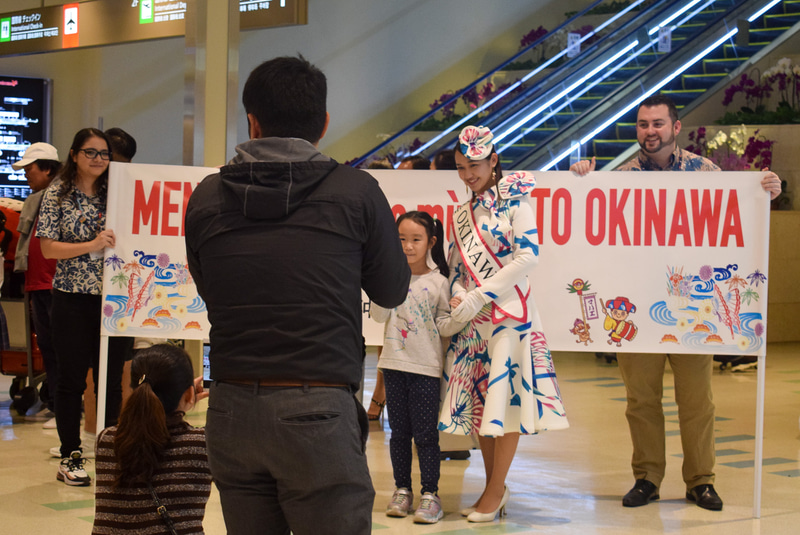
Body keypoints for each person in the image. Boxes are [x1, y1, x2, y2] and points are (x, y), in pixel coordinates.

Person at [184, 55, 411, 535]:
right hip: (319, 409)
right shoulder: (356, 191)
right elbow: (391, 290)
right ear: (324, 123)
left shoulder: (206, 197)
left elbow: (210, 289)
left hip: (230, 407)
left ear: (252, 122)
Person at [569, 94, 782, 511]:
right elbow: (586, 220)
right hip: (635, 307)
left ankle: (701, 481)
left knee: (697, 401)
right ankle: (647, 478)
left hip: (692, 310)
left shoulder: (707, 173)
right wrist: (580, 179)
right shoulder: (619, 177)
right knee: (641, 400)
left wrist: (767, 192)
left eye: (658, 124)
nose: (650, 131)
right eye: (643, 124)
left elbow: (739, 211)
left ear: (675, 127)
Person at [439, 125, 569, 523]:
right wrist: (461, 291)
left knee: (505, 402)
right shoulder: (461, 213)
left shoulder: (517, 203)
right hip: (473, 322)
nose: (468, 175)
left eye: (474, 166)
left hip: (509, 317)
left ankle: (495, 491)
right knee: (482, 403)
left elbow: (527, 257)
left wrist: (482, 292)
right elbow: (456, 265)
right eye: (461, 168)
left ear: (493, 161)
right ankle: (492, 488)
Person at [37, 128, 124, 486]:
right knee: (72, 380)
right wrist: (91, 245)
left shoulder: (116, 191)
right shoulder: (57, 193)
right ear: (74, 155)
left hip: (115, 298)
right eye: (90, 152)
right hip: (72, 297)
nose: (98, 159)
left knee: (112, 380)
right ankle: (71, 454)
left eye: (104, 153)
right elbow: (47, 249)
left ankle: (111, 451)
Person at [370, 211, 466, 524]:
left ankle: (430, 494)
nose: (408, 246)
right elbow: (379, 317)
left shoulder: (439, 282)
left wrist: (459, 312)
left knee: (425, 436)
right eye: (401, 240)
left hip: (426, 369)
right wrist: (387, 281)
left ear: (430, 242)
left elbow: (444, 327)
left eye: (415, 240)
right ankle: (402, 490)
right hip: (394, 366)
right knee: (398, 434)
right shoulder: (391, 278)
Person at [92, 343, 211, 534]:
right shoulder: (202, 444)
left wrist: (185, 399)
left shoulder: (107, 439)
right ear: (189, 393)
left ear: (134, 390)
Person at [12, 143, 61, 427]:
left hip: (55, 283)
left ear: (47, 168)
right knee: (48, 345)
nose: (26, 175)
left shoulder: (61, 198)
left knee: (60, 346)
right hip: (37, 284)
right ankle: (54, 400)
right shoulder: (35, 200)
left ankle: (62, 404)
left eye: (29, 169)